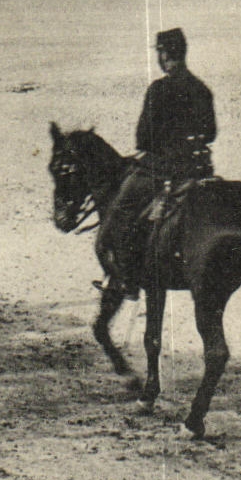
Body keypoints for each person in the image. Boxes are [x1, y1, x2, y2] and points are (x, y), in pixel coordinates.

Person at [96, 27, 217, 299]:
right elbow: (211, 133)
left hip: (163, 169)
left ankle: (126, 280)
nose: (159, 57)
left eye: (160, 52)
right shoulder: (201, 89)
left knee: (120, 212)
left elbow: (143, 137)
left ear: (164, 55)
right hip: (197, 169)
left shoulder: (159, 89)